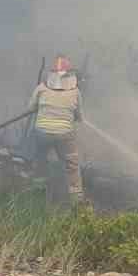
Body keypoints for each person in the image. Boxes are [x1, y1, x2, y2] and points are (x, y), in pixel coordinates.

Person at [30, 54, 84, 202]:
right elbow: (79, 116)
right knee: (71, 164)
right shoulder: (75, 92)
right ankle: (77, 199)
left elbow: (31, 108)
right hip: (64, 134)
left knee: (40, 159)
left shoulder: (41, 88)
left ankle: (38, 191)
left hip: (42, 132)